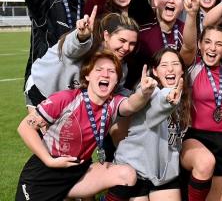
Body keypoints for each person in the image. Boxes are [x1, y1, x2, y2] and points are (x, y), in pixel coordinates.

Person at [15, 51, 156, 200]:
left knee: (127, 175)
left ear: (116, 80)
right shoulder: (66, 99)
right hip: (46, 172)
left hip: (80, 173)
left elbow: (132, 104)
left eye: (111, 71)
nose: (105, 74)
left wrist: (144, 93)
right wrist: (49, 160)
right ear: (87, 76)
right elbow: (25, 127)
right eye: (99, 69)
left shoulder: (112, 105)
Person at [106, 48, 188, 200]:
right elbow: (158, 103)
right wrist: (168, 99)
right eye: (164, 65)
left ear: (182, 70)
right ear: (155, 71)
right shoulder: (149, 92)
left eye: (175, 64)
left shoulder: (184, 97)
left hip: (164, 174)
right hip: (134, 171)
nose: (170, 68)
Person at [178, 0, 222, 201]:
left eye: (219, 44)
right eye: (208, 43)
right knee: (204, 163)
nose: (212, 48)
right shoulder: (192, 67)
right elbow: (186, 46)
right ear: (201, 45)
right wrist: (192, 14)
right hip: (194, 137)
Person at [24, 11, 139, 108]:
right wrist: (82, 37)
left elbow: (116, 90)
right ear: (106, 36)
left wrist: (140, 93)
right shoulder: (87, 44)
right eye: (122, 41)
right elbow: (72, 48)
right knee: (37, 132)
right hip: (42, 88)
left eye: (132, 43)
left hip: (65, 102)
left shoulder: (121, 66)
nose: (127, 48)